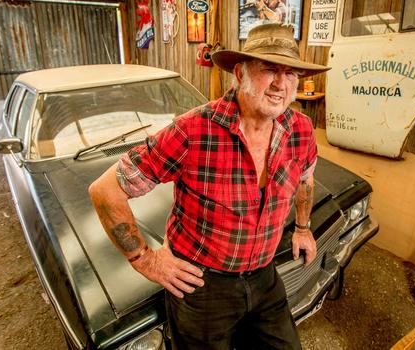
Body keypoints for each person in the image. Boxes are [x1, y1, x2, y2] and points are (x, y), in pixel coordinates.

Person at [88, 23, 330, 349]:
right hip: (201, 287)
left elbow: (305, 179)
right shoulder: (193, 130)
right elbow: (105, 190)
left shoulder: (300, 128)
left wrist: (302, 227)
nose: (280, 84)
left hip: (264, 277)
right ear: (240, 73)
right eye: (269, 69)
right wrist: (145, 259)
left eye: (290, 74)